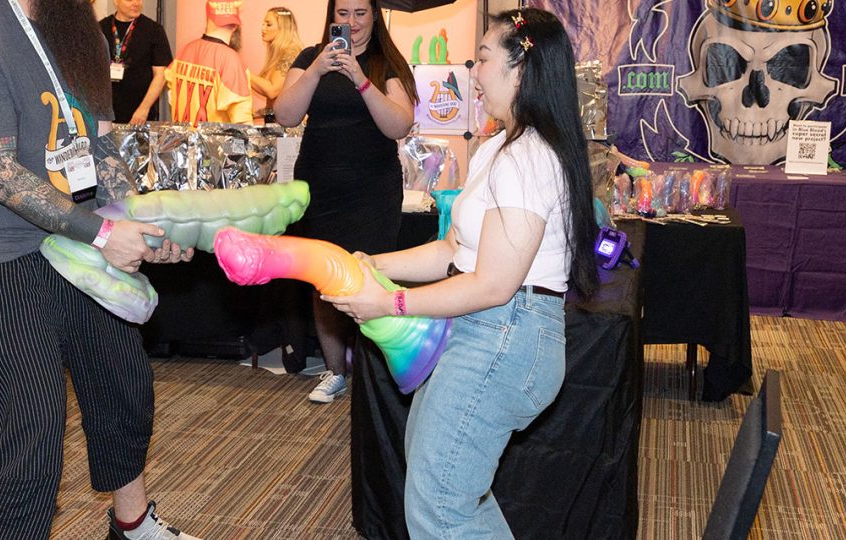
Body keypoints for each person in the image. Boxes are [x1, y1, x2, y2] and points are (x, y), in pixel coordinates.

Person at [322, 8, 600, 537]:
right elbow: (452, 249)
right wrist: (375, 264)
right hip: (485, 333)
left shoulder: (528, 157)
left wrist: (391, 302)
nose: (474, 72)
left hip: (507, 336)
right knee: (443, 491)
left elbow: (493, 284)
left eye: (485, 58)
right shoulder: (497, 147)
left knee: (441, 504)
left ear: (521, 71)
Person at [0, 1, 199, 538]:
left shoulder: (84, 35)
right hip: (2, 259)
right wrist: (103, 233)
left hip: (78, 247)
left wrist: (138, 222)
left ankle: (132, 524)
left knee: (124, 386)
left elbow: (98, 146)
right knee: (27, 426)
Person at [274, 0, 417, 404]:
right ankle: (335, 371)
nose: (351, 22)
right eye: (343, 13)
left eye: (360, 13)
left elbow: (399, 125)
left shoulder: (386, 62)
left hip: (372, 191)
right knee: (324, 277)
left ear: (374, 17)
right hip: (320, 186)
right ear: (331, 16)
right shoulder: (311, 57)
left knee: (371, 274)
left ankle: (374, 375)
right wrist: (318, 70)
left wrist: (361, 79)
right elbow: (285, 114)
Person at [165, 0, 254, 126]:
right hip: (213, 139)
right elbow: (243, 123)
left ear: (208, 20)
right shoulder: (231, 60)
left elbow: (171, 97)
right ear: (235, 26)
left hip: (182, 137)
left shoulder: (185, 50)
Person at [98, 0, 173, 124]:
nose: (136, 3)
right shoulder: (100, 28)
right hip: (105, 114)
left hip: (140, 116)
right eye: (129, 0)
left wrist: (144, 109)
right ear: (116, 1)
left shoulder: (154, 30)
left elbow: (161, 75)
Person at [250, 7, 302, 122]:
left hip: (287, 127)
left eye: (268, 25)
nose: (263, 28)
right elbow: (277, 100)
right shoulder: (278, 55)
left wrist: (243, 73)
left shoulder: (290, 53)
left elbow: (272, 91)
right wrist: (259, 113)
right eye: (263, 24)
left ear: (283, 28)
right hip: (278, 122)